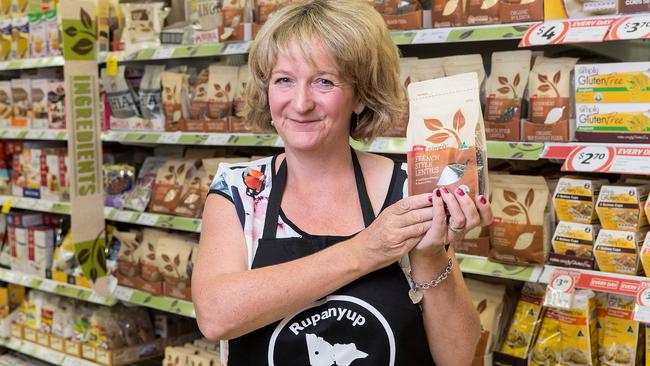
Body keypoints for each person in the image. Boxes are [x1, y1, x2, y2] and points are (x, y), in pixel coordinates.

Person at [192, 0, 493, 364]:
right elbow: (215, 315)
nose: (301, 103)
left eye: (324, 81)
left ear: (361, 96)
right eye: (284, 79)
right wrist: (366, 250)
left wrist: (430, 255)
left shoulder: (407, 192)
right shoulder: (240, 191)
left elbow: (459, 358)